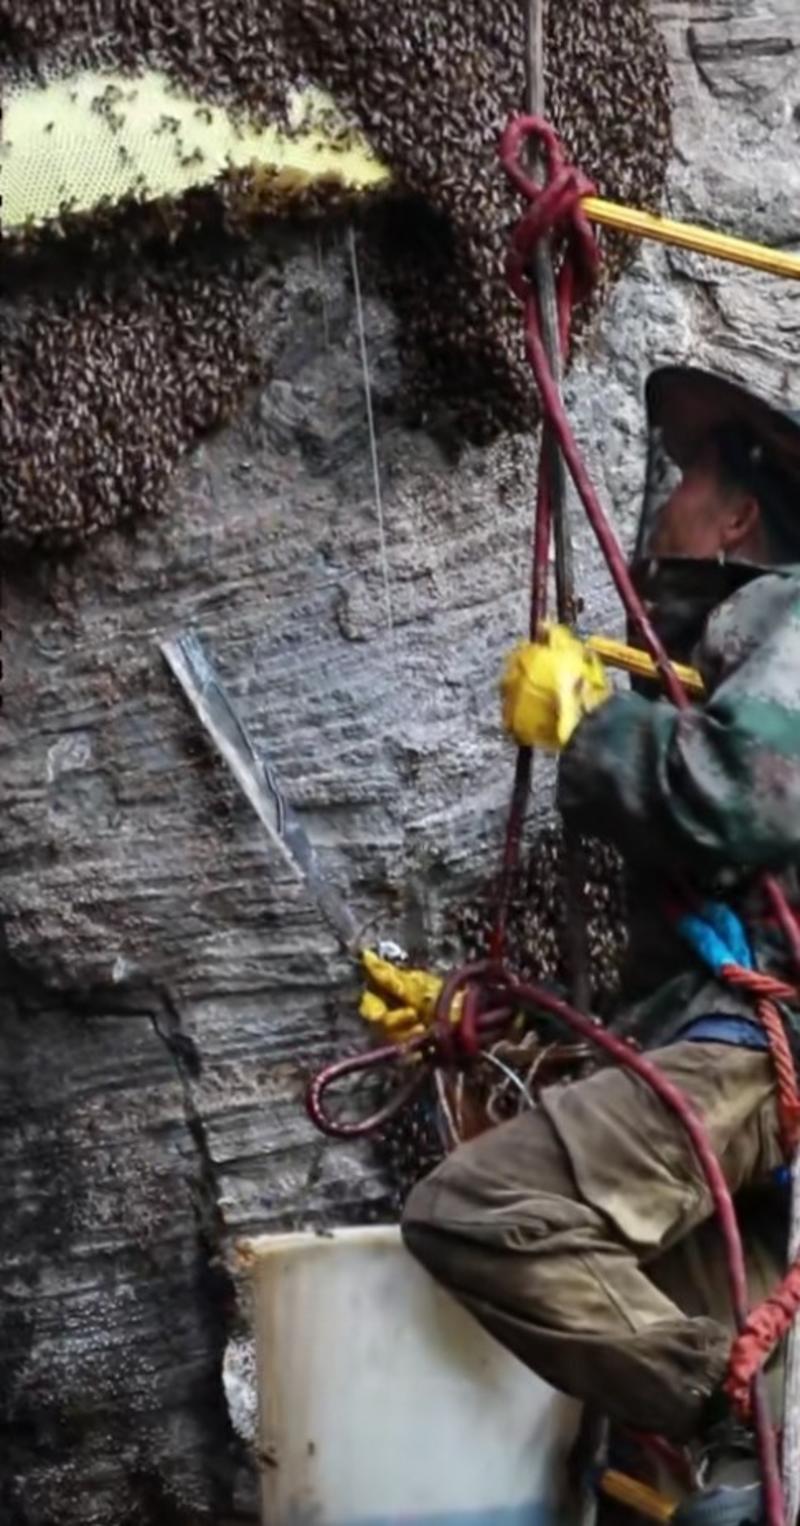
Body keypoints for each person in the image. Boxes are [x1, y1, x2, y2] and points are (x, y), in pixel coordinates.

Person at [401, 367, 800, 1525]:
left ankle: (731, 1414)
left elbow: (750, 795)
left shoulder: (783, 616)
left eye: (686, 478)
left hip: (749, 1043)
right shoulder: (719, 652)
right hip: (719, 1037)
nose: (662, 502)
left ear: (735, 516)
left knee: (477, 1212)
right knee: (683, 1473)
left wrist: (595, 727)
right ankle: (731, 1431)